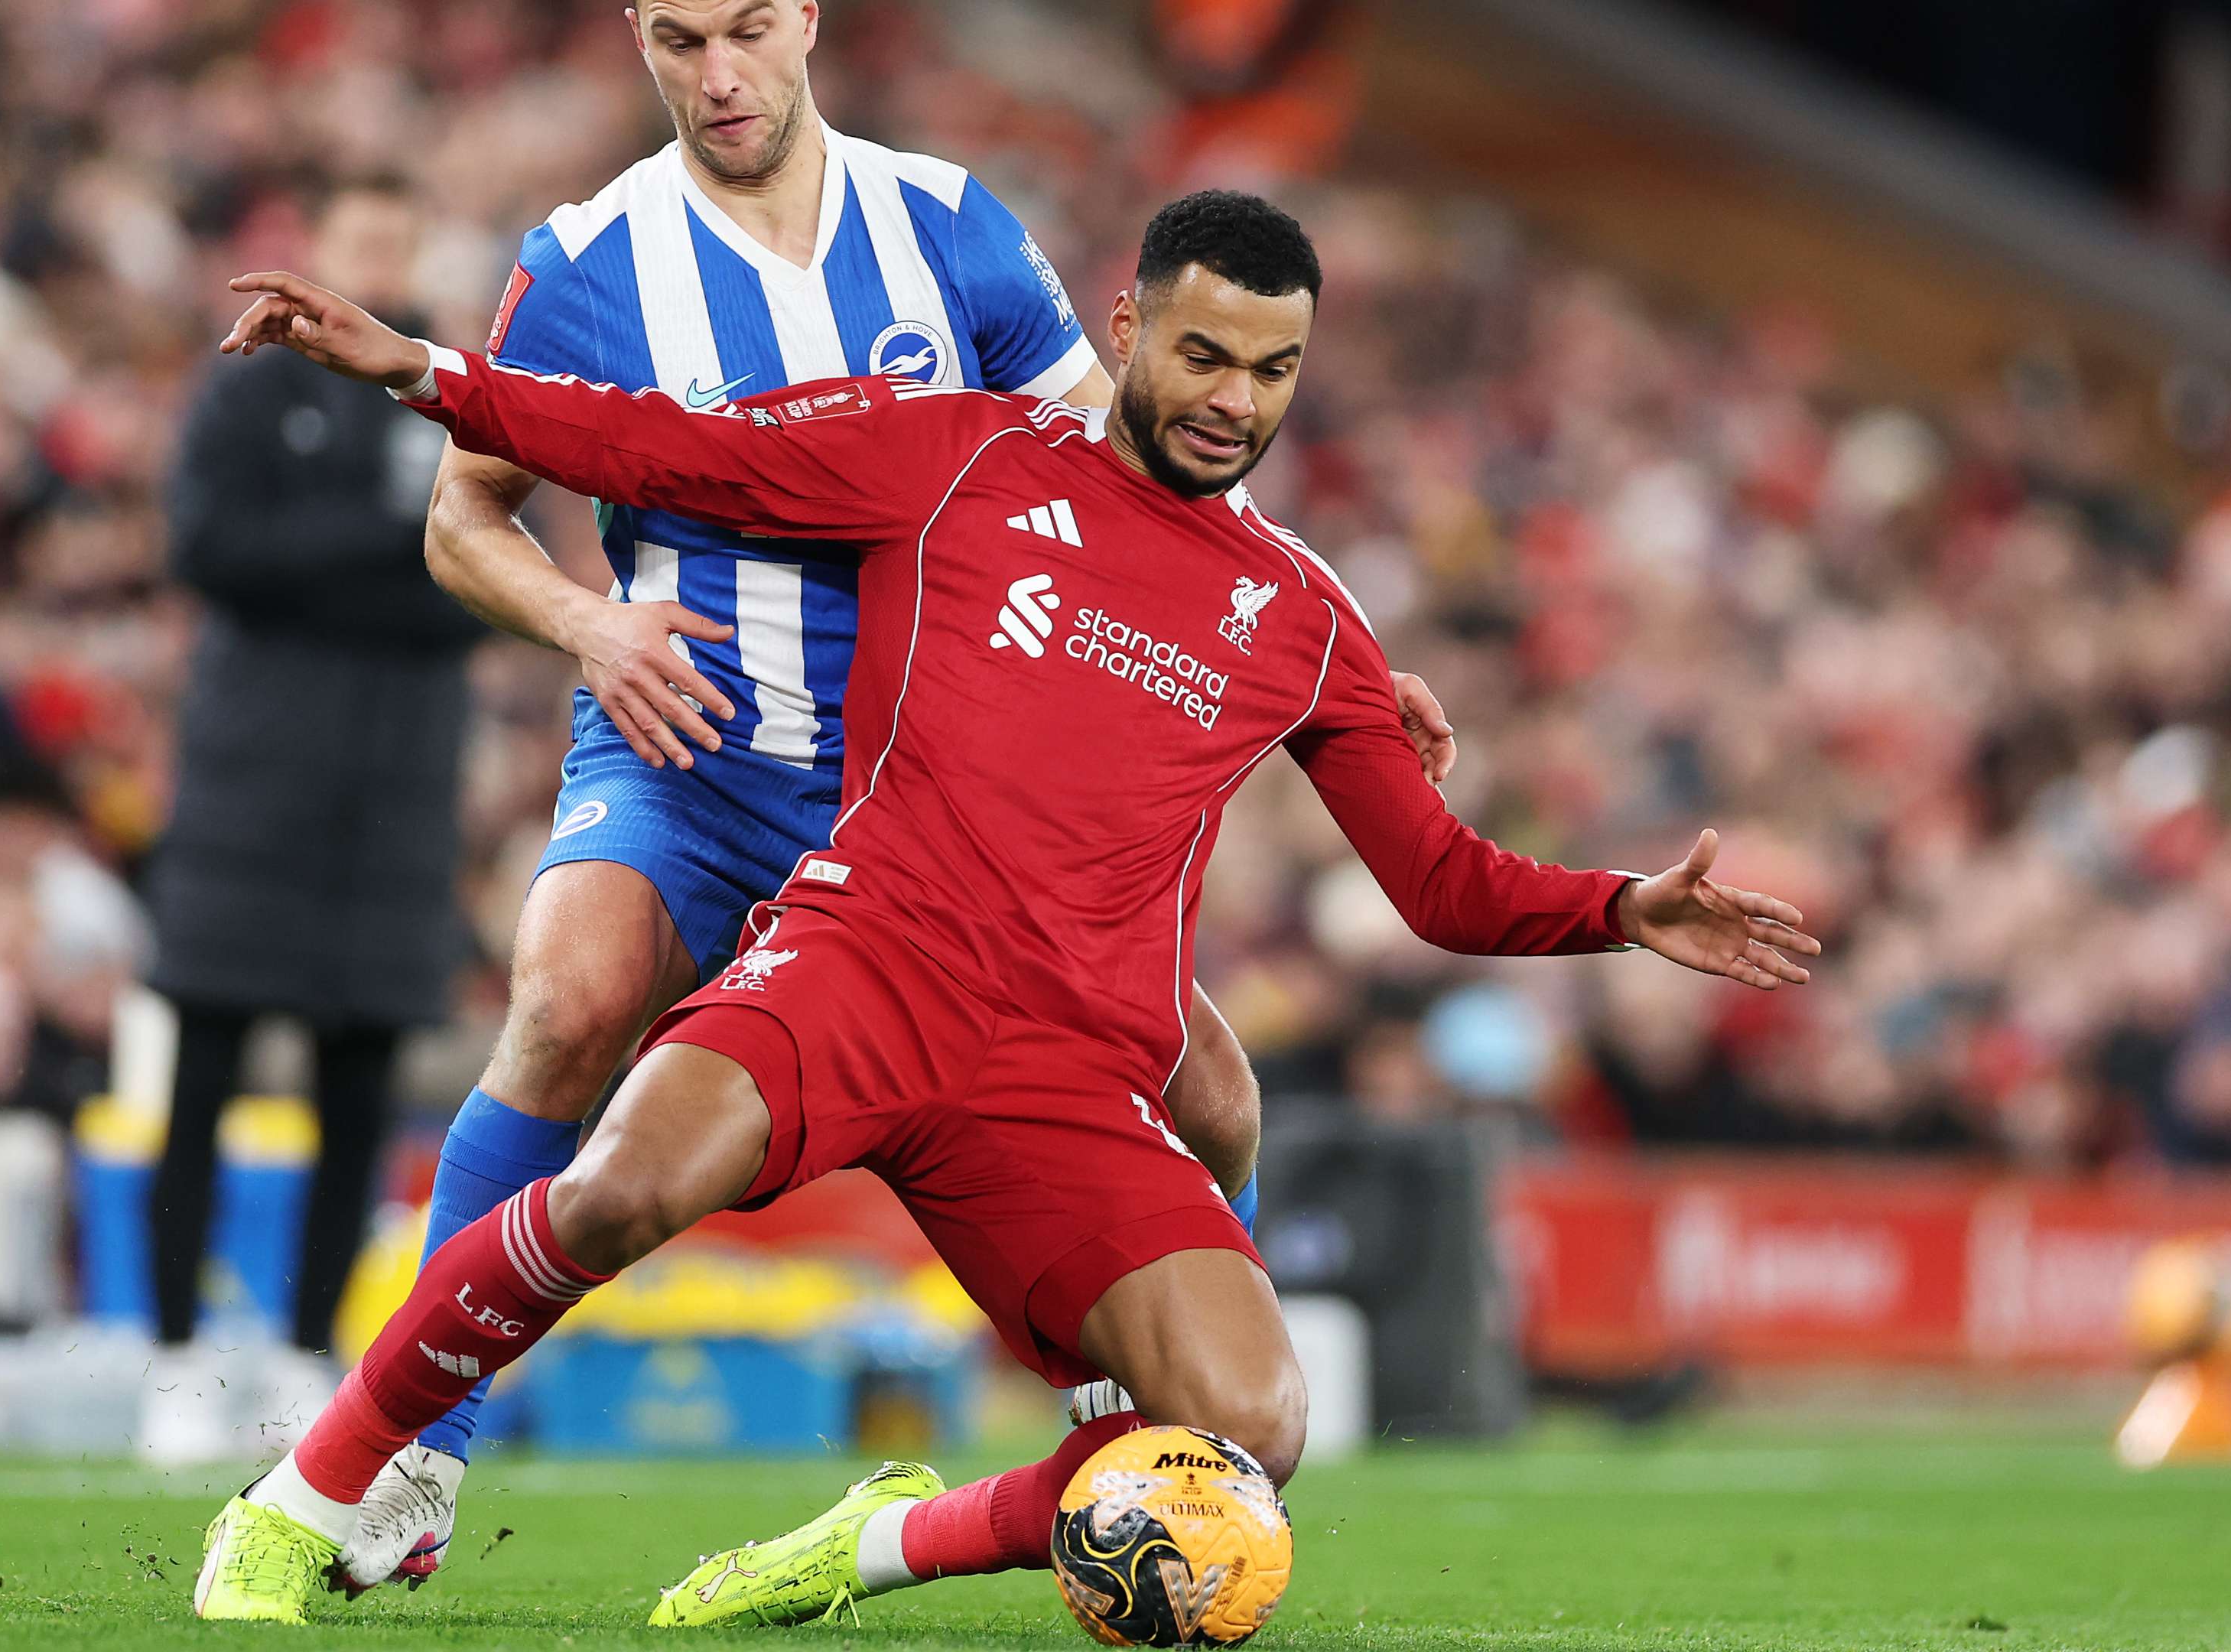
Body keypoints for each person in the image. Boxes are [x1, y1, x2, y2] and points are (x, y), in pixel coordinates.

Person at [187, 188, 1818, 1624]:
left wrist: (1618, 906)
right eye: (1203, 357)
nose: (1233, 401)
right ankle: (302, 1504)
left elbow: (1442, 883)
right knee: (618, 1187)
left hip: (1062, 1068)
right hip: (862, 969)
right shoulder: (960, 455)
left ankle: (880, 1546)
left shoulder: (1307, 618)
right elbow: (671, 449)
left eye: (1273, 372)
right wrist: (418, 371)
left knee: (1248, 1439)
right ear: (1128, 328)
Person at [377, 0, 1457, 1578]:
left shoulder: (946, 226)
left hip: (935, 774)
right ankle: (413, 1460)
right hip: (699, 745)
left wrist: (1341, 663)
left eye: (747, 29)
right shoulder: (591, 258)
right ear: (638, 36)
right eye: (680, 40)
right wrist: (588, 621)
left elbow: (1131, 449)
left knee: (1215, 1097)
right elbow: (462, 515)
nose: (719, 75)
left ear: (808, 19)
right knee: (567, 1002)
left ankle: (1127, 1434)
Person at [141, 176, 483, 1362]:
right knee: (204, 1073)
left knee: (359, 1090)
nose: (378, 262)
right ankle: (174, 1355)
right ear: (318, 248)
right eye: (359, 240)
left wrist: (334, 562)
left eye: (398, 240)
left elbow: (477, 589)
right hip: (251, 782)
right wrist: (389, 543)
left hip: (392, 796)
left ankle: (302, 1355)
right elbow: (210, 548)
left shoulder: (448, 390)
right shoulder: (247, 377)